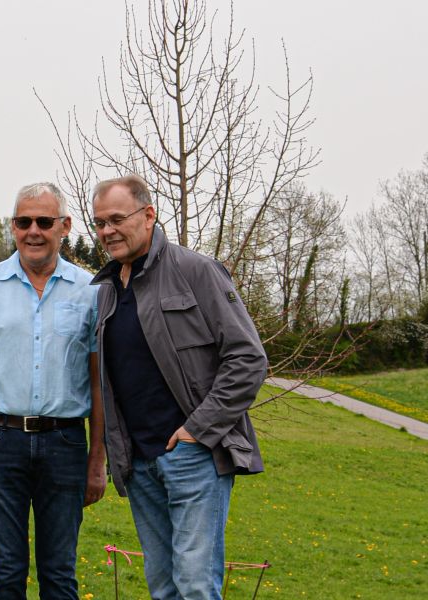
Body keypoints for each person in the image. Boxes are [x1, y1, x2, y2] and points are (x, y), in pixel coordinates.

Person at [90, 174, 267, 599]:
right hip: (139, 463)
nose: (107, 231)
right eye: (99, 223)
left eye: (117, 218)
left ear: (149, 214)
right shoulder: (103, 291)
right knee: (163, 586)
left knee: (195, 584)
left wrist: (196, 432)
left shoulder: (196, 271)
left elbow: (248, 359)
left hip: (194, 457)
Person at [0, 182, 106, 600]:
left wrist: (97, 460)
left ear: (65, 226)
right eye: (23, 221)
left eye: (44, 221)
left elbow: (99, 382)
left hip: (65, 441)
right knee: (6, 574)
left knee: (60, 577)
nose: (33, 230)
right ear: (13, 226)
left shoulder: (91, 292)